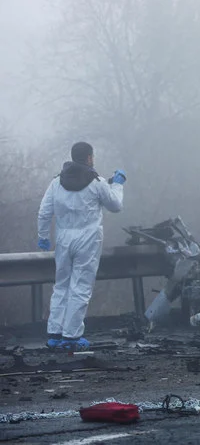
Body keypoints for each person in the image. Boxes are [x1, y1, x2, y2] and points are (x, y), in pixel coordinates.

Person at [37, 142, 126, 351]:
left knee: (61, 285)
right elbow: (115, 205)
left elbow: (44, 212)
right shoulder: (96, 182)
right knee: (81, 287)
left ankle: (55, 333)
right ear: (88, 158)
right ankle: (72, 335)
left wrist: (43, 236)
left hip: (63, 238)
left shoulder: (56, 182)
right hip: (88, 238)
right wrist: (118, 184)